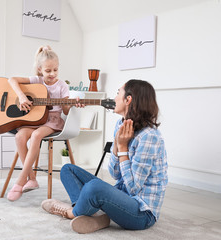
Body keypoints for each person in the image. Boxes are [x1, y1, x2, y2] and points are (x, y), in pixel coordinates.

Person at [41, 79, 168, 234]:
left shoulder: (149, 136)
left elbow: (133, 188)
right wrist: (117, 146)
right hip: (121, 198)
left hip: (141, 214)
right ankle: (97, 217)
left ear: (128, 99)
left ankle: (71, 213)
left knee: (94, 187)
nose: (114, 98)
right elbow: (115, 174)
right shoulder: (120, 126)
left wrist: (122, 148)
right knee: (68, 170)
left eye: (117, 93)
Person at [7, 45, 83, 201]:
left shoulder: (62, 86)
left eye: (55, 70)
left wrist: (70, 104)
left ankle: (21, 181)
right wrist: (21, 96)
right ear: (40, 69)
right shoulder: (36, 81)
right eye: (48, 71)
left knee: (36, 136)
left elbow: (66, 112)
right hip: (35, 119)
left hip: (53, 121)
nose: (52, 74)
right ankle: (32, 179)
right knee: (19, 137)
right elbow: (11, 80)